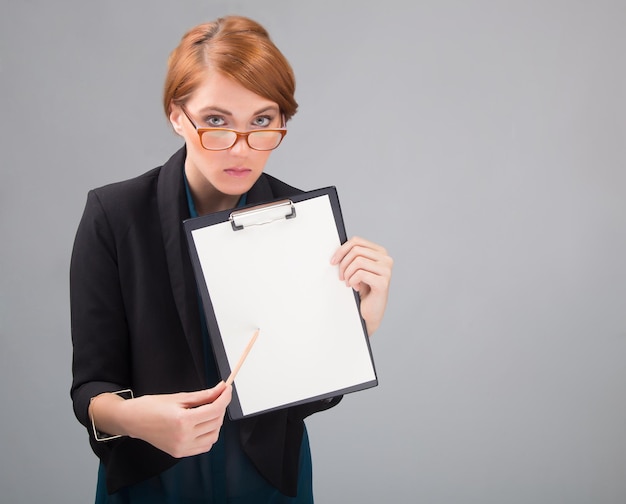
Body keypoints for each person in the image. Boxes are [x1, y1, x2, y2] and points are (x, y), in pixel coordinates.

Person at [70, 15, 393, 503]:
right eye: (217, 122)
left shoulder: (302, 220)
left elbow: (306, 399)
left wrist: (359, 325)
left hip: (267, 480)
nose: (241, 148)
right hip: (150, 479)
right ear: (177, 115)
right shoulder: (114, 215)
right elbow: (90, 388)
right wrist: (136, 417)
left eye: (261, 122)